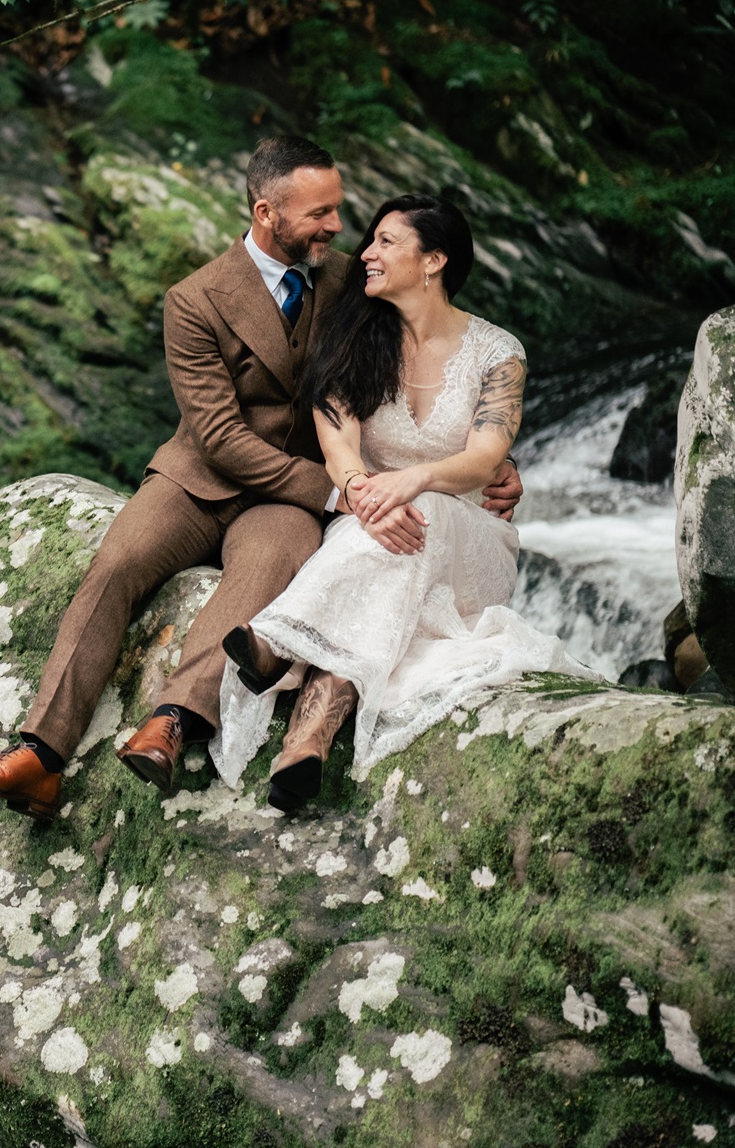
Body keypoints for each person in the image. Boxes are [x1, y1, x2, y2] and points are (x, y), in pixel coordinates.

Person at [0, 138, 523, 820]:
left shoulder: (351, 282)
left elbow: (435, 368)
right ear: (266, 212)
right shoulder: (193, 299)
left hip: (284, 503)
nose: (339, 228)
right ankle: (39, 756)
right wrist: (343, 494)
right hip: (202, 478)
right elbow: (218, 437)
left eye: (339, 211)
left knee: (269, 566)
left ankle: (172, 723)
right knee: (116, 564)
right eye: (320, 214)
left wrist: (497, 466)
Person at [216, 194, 591, 811]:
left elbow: (483, 458)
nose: (365, 253)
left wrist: (410, 483)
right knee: (384, 586)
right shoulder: (357, 335)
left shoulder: (499, 353)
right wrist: (364, 492)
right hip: (372, 527)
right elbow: (337, 439)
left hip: (466, 535)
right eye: (372, 240)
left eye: (386, 242)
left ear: (434, 260)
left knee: (432, 512)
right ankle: (305, 746)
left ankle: (281, 643)